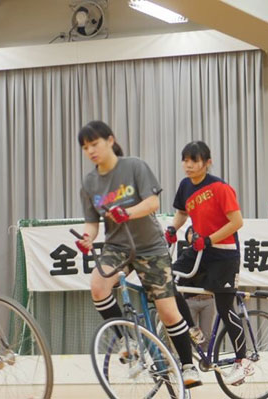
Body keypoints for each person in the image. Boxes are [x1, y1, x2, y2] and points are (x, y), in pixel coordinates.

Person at [74, 121, 201, 388]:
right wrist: (88, 237)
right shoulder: (89, 183)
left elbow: (153, 202)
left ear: (110, 140)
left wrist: (128, 212)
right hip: (117, 247)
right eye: (85, 148)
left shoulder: (134, 166)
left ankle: (189, 365)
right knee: (98, 286)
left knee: (167, 311)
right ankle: (125, 340)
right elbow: (92, 222)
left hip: (150, 247)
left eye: (94, 144)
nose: (90, 151)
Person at [165, 140, 254, 386]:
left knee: (225, 307)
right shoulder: (185, 186)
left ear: (207, 162)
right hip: (198, 251)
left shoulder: (220, 188)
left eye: (194, 160)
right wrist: (173, 227)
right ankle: (192, 328)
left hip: (223, 254)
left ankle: (242, 361)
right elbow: (182, 212)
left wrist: (210, 239)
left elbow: (237, 222)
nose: (188, 165)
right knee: (165, 282)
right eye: (185, 160)